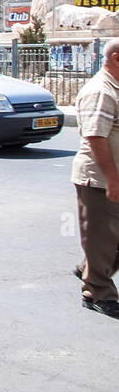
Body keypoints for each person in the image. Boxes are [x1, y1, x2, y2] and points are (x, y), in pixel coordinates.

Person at [74, 37, 119, 318]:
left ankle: (89, 269)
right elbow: (95, 137)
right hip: (100, 179)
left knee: (108, 240)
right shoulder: (101, 90)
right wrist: (112, 178)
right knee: (101, 238)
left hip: (112, 177)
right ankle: (97, 292)